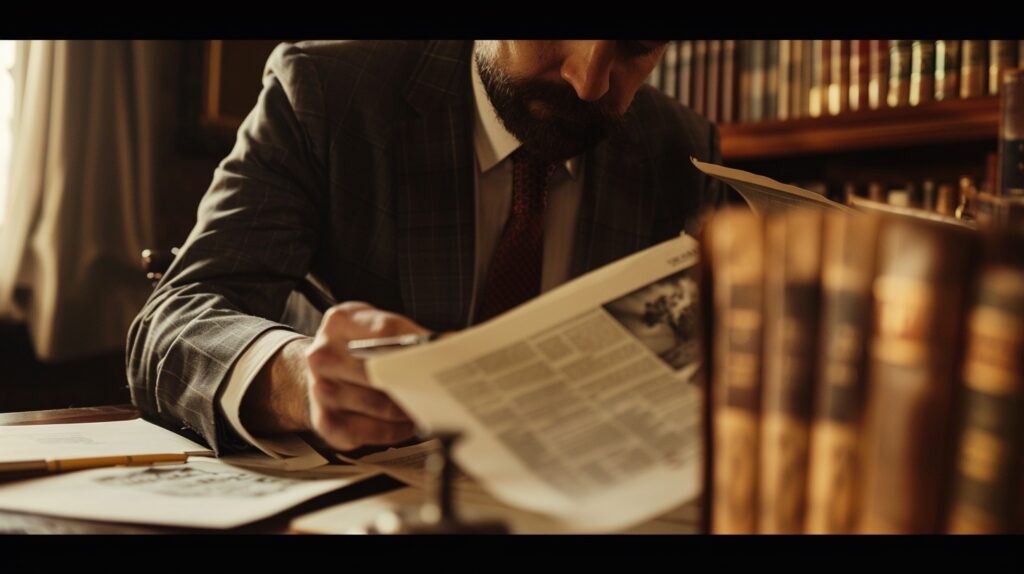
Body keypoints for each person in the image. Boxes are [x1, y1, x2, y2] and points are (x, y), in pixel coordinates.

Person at [126, 40, 723, 457]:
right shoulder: (324, 92)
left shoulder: (683, 148)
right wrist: (300, 381)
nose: (589, 81)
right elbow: (173, 323)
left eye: (636, 44)